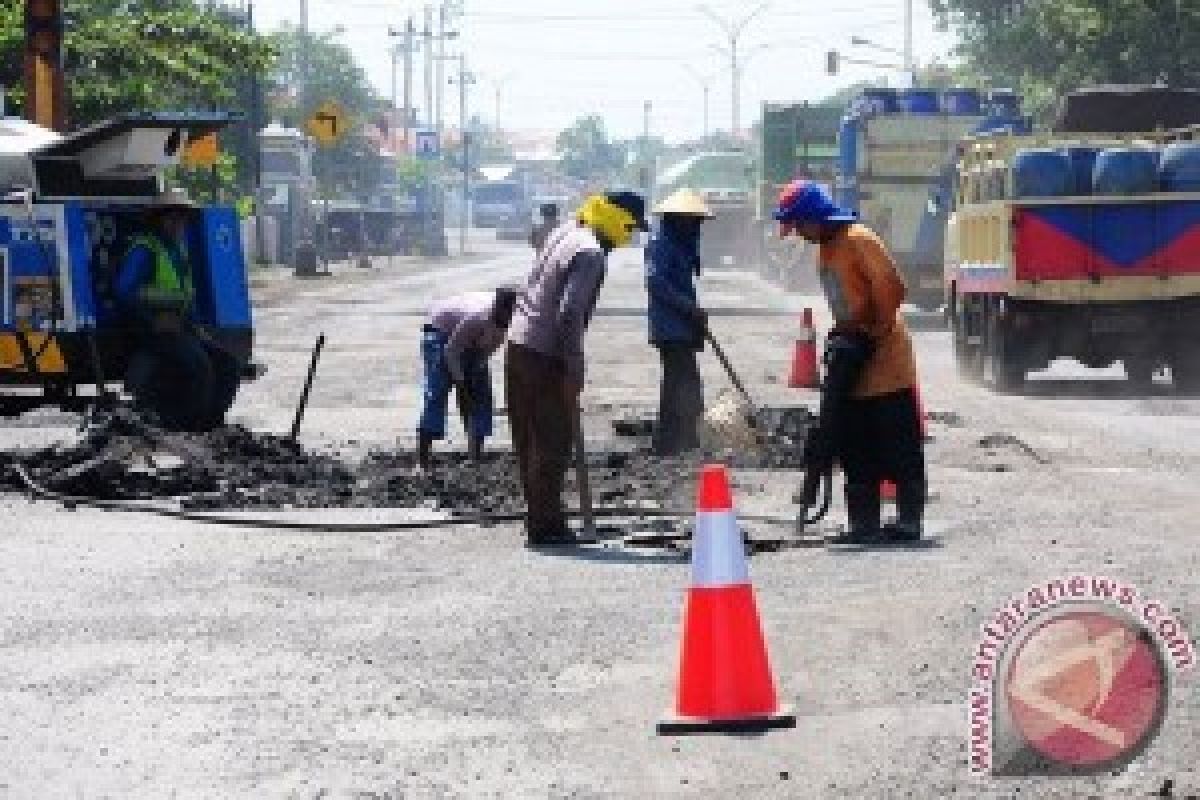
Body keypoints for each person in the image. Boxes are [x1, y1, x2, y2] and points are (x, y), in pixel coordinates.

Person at [774, 179, 926, 542]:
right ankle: (863, 522)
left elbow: (892, 287)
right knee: (855, 443)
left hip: (885, 358)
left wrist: (870, 332)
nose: (798, 233)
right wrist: (843, 335)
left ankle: (908, 520)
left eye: (799, 225)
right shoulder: (825, 248)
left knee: (898, 443)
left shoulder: (859, 240)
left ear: (815, 217)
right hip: (854, 357)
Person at [506, 190, 649, 547]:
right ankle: (546, 527)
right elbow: (570, 313)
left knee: (529, 440)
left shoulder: (564, 233)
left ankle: (538, 516)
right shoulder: (590, 252)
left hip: (518, 345)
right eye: (629, 229)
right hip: (545, 354)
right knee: (553, 441)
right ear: (616, 220)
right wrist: (573, 367)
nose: (628, 238)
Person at [114, 190, 220, 431]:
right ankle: (186, 427)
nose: (176, 224)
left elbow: (186, 296)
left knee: (225, 362)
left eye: (180, 219)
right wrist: (155, 318)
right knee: (198, 365)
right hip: (147, 326)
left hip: (177, 326)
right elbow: (124, 291)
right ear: (158, 220)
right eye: (171, 218)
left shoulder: (178, 251)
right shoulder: (145, 249)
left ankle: (212, 423)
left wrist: (196, 327)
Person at [644, 188, 714, 455]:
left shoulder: (680, 240)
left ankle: (681, 439)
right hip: (669, 325)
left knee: (683, 381)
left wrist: (694, 312)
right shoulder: (662, 242)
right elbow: (655, 282)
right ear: (677, 218)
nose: (696, 225)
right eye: (692, 220)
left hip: (681, 324)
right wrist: (688, 308)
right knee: (680, 382)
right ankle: (672, 442)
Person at [417, 287, 519, 469]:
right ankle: (422, 462)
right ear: (497, 309)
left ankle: (474, 457)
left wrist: (472, 378)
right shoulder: (479, 317)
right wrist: (461, 385)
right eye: (506, 315)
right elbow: (451, 352)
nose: (510, 319)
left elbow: (485, 352)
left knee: (480, 394)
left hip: (470, 339)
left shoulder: (514, 321)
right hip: (441, 330)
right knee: (437, 392)